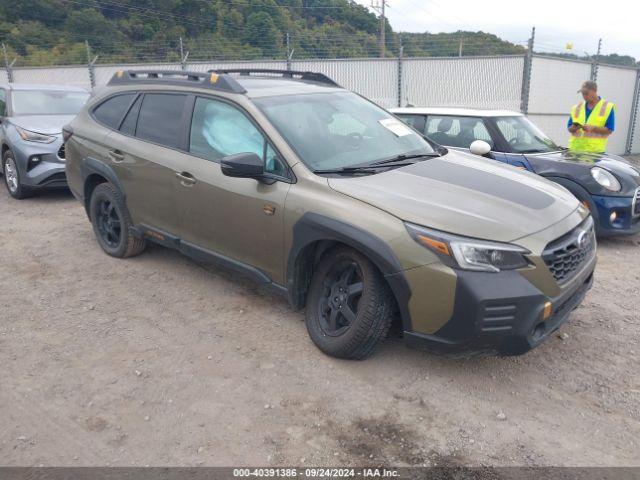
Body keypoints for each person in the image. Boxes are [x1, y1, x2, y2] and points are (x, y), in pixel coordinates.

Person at [567, 80, 615, 153]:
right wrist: (574, 128)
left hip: (594, 153)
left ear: (594, 91)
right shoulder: (577, 108)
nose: (584, 96)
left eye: (586, 93)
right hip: (575, 152)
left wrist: (594, 128)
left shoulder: (607, 107)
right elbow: (569, 128)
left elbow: (609, 130)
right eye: (583, 94)